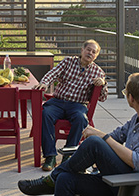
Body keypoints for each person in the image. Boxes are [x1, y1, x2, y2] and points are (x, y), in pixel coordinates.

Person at [34, 39, 108, 171]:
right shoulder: (68, 61)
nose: (90, 53)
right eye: (88, 50)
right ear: (82, 50)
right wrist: (44, 83)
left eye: (93, 52)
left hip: (78, 105)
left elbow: (102, 98)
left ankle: (68, 157)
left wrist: (102, 84)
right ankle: (50, 156)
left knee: (81, 119)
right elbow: (53, 73)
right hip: (58, 102)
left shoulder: (98, 72)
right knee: (45, 114)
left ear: (96, 56)